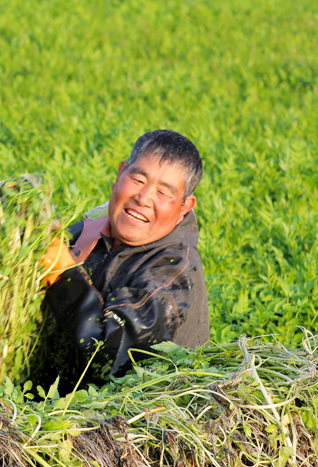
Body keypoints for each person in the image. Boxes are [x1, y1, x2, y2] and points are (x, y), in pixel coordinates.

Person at [35, 129, 208, 387]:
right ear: (120, 173)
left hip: (124, 419)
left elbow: (109, 357)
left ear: (184, 206)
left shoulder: (174, 271)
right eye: (138, 180)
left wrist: (62, 277)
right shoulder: (93, 226)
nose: (143, 198)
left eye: (164, 193)